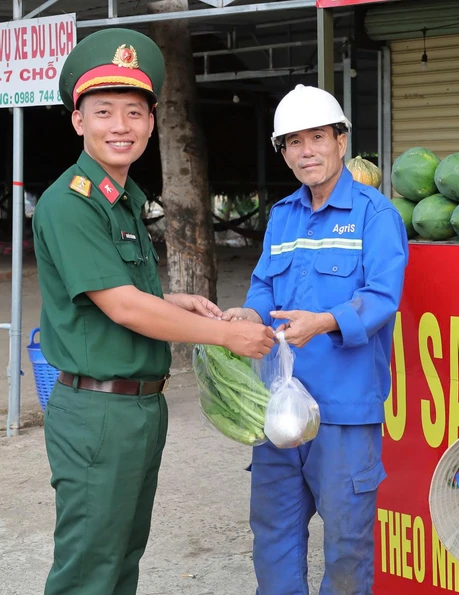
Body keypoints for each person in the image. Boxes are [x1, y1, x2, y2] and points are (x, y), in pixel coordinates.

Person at [33, 28, 275, 595]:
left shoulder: (123, 200)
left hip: (137, 407)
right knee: (89, 568)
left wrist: (173, 301)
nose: (121, 126)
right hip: (97, 412)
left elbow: (116, 294)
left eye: (135, 112)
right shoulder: (72, 202)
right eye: (104, 112)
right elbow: (121, 307)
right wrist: (221, 338)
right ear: (78, 121)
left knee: (120, 558)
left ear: (150, 121)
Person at [221, 84, 409, 594]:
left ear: (341, 141)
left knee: (347, 545)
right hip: (278, 407)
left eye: (318, 137)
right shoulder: (282, 215)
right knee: (274, 535)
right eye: (294, 142)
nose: (307, 151)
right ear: (283, 153)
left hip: (345, 411)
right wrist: (248, 312)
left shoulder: (376, 215)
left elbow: (381, 297)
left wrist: (322, 321)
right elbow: (264, 284)